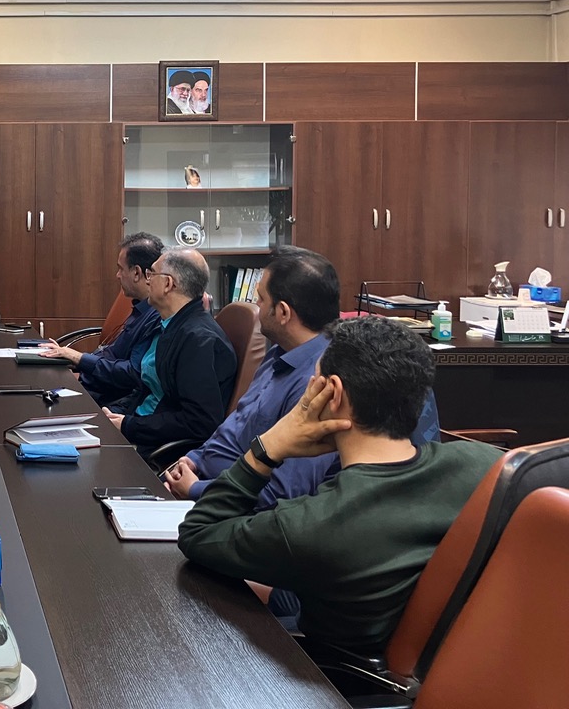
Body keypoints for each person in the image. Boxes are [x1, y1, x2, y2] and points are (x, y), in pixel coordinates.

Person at [176, 315, 500, 653]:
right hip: (441, 656)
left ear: (333, 394)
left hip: (329, 671)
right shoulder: (487, 466)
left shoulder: (312, 523)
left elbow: (198, 533)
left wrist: (268, 448)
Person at [165, 247, 442, 509]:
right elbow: (236, 424)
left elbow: (284, 494)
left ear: (283, 312)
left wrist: (196, 490)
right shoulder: (279, 354)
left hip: (228, 506)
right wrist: (194, 459)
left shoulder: (319, 382)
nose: (256, 306)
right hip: (202, 482)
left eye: (261, 299)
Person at [102, 248, 236, 455]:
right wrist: (114, 414)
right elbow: (147, 389)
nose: (147, 281)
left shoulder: (198, 340)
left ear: (168, 284)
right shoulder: (170, 324)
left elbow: (199, 421)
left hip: (156, 447)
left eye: (151, 274)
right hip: (136, 426)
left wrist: (128, 425)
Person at [37, 231, 164, 406]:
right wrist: (71, 357)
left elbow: (132, 375)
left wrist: (79, 358)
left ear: (136, 273)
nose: (117, 275)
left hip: (103, 398)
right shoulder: (139, 308)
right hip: (89, 382)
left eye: (120, 269)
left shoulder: (156, 316)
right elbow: (113, 354)